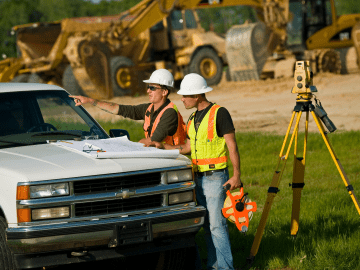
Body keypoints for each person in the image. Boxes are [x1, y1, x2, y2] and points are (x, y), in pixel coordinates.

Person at [146, 73, 241, 270]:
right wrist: (163, 147)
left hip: (215, 178)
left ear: (197, 96)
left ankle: (225, 268)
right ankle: (214, 266)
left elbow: (232, 145)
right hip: (197, 178)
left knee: (217, 227)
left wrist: (236, 175)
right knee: (206, 227)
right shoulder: (192, 117)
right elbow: (188, 147)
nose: (181, 99)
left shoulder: (219, 113)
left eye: (185, 96)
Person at [70, 69, 186, 145]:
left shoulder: (170, 113)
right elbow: (118, 109)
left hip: (172, 161)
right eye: (148, 87)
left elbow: (152, 141)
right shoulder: (149, 108)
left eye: (152, 88)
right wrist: (91, 101)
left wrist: (131, 147)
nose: (148, 91)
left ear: (165, 92)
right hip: (160, 157)